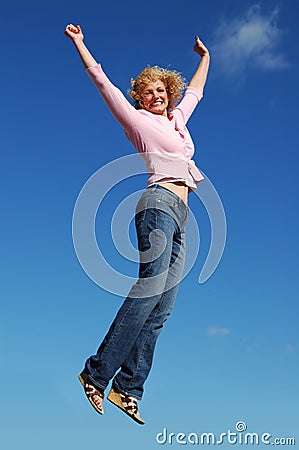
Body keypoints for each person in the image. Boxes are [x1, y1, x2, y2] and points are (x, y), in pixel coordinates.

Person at [65, 23, 210, 425]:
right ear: (140, 99)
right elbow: (102, 83)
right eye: (148, 92)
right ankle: (95, 373)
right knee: (149, 289)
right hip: (158, 203)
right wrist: (80, 43)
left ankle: (127, 389)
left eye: (161, 90)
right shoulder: (136, 122)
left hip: (183, 214)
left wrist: (207, 59)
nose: (156, 96)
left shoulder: (178, 122)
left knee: (163, 307)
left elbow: (195, 92)